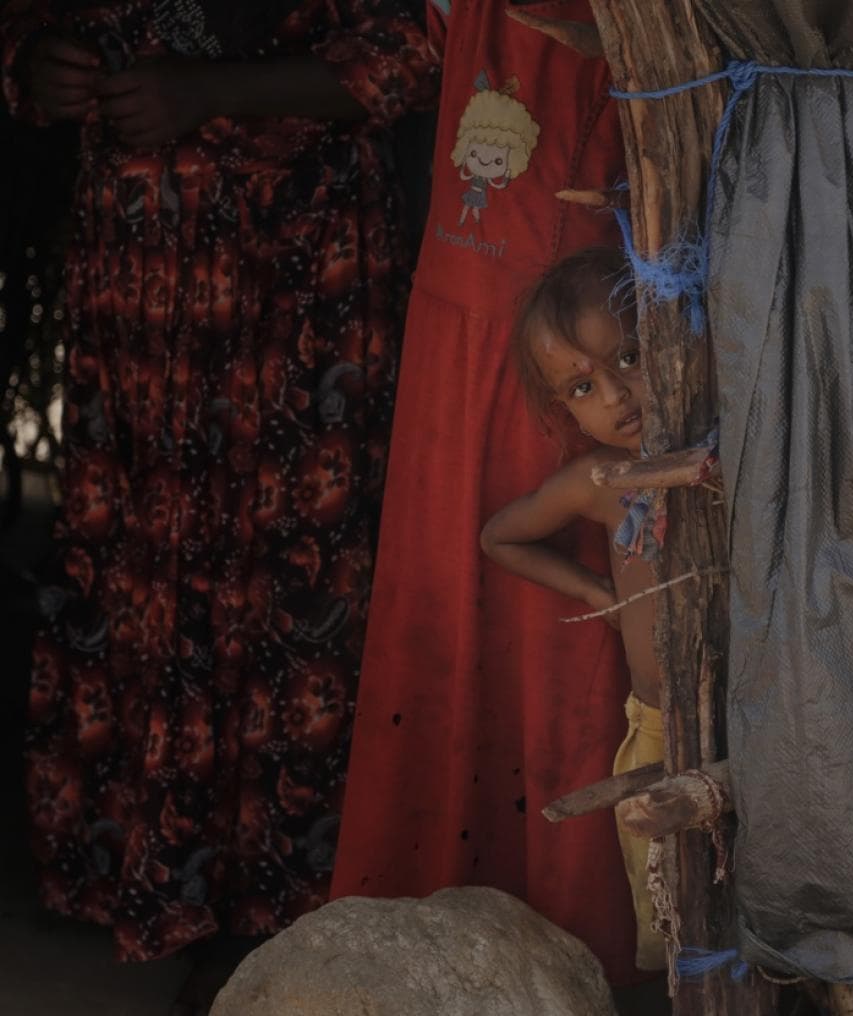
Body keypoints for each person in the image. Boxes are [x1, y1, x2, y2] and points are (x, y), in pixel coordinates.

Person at [0, 0, 436, 981]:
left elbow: (414, 49)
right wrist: (38, 65)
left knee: (292, 568)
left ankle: (277, 907)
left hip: (299, 278)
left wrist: (208, 93)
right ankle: (161, 884)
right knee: (141, 562)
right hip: (139, 282)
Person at [327, 0, 644, 989]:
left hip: (571, 352)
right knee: (442, 615)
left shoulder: (651, 27)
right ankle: (418, 915)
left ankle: (575, 942)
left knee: (566, 659)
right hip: (456, 339)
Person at [480, 246, 666, 976]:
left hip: (758, 718)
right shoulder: (599, 481)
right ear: (563, 408)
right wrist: (595, 593)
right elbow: (501, 536)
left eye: (630, 355)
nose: (617, 394)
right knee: (673, 904)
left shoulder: (727, 451)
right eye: (584, 386)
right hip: (655, 725)